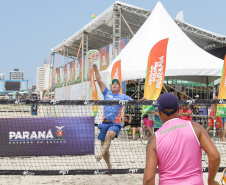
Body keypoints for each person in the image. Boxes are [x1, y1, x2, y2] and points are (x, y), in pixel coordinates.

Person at [143, 93, 220, 185]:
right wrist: (211, 182)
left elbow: (148, 180)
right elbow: (215, 156)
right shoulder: (196, 128)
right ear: (179, 108)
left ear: (159, 111)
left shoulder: (154, 140)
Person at [93, 64, 132, 170]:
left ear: (119, 87)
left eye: (117, 84)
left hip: (115, 123)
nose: (114, 85)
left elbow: (134, 102)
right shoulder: (107, 93)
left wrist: (143, 101)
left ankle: (99, 155)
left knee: (108, 136)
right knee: (105, 147)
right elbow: (99, 80)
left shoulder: (123, 96)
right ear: (111, 87)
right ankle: (109, 164)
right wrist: (96, 69)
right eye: (113, 84)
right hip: (104, 123)